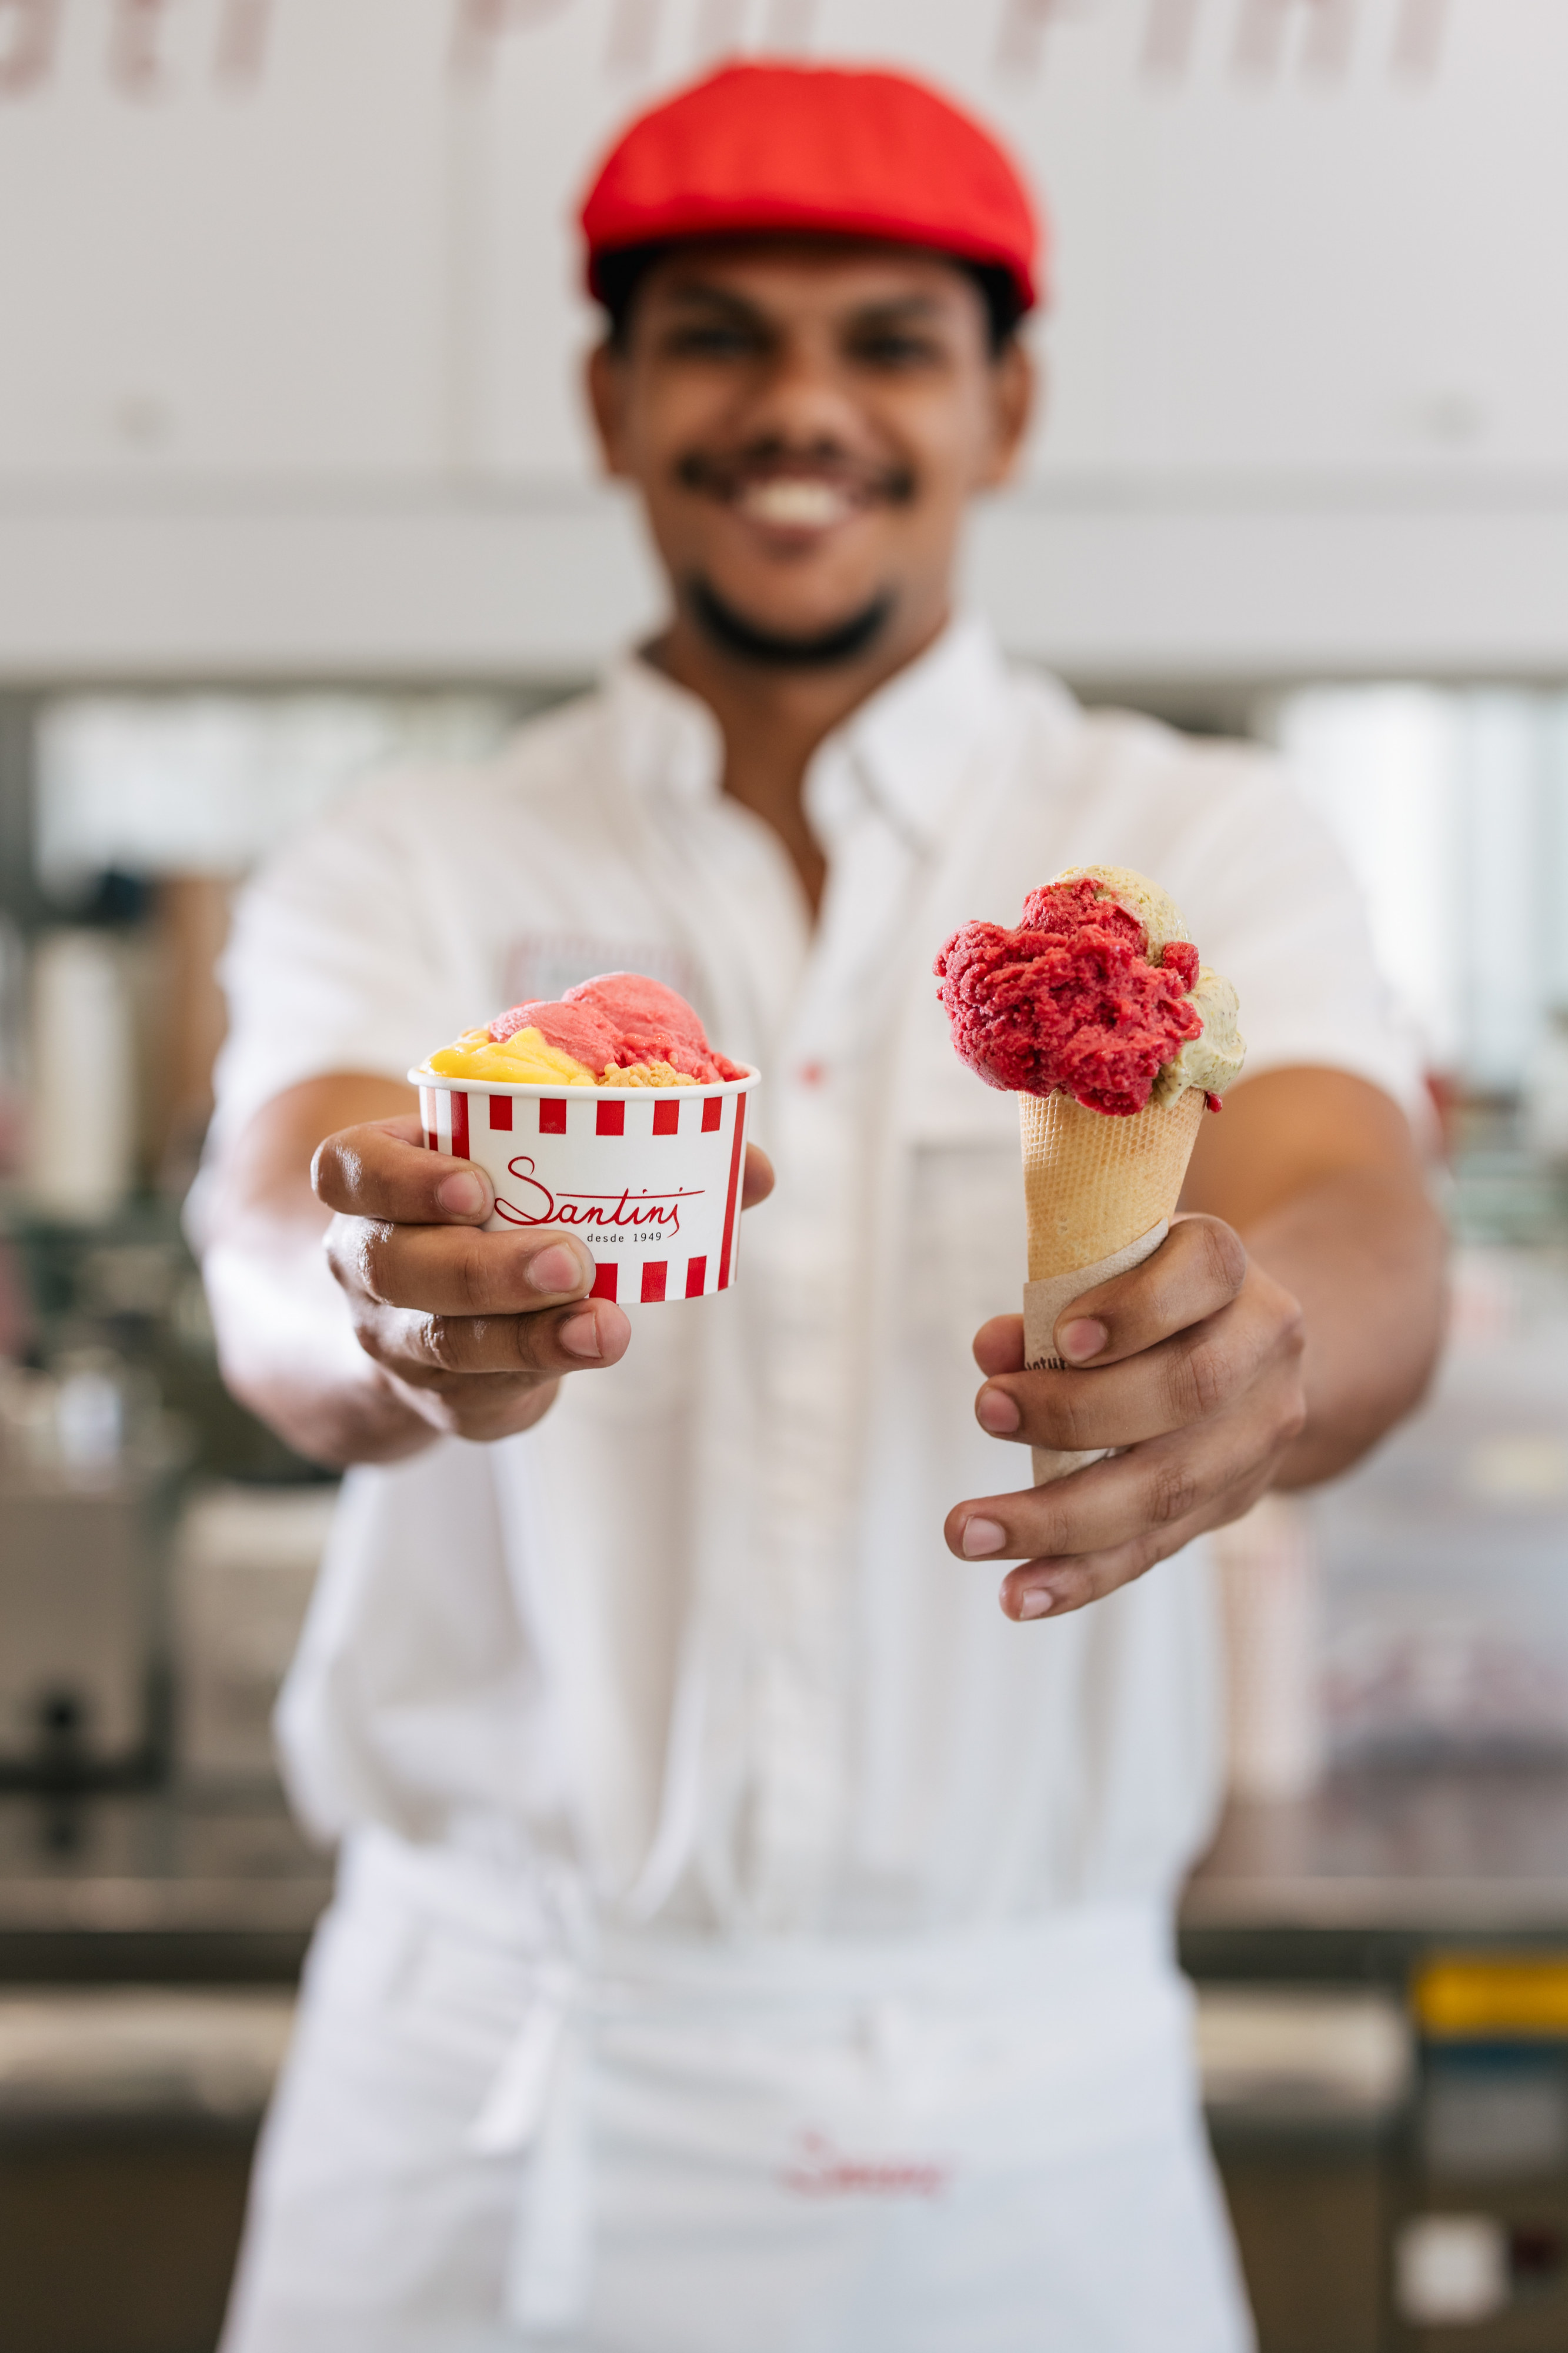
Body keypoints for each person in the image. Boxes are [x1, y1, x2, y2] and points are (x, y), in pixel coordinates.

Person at [202, 60, 1444, 2353]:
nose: (801, 410)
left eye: (885, 343)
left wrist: (1264, 1348)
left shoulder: (1197, 830)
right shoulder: (412, 856)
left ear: (1007, 404)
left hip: (1020, 2097)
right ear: (609, 399)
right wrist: (375, 1299)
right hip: (490, 2082)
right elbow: (283, 1239)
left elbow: (1353, 1218)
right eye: (717, 337)